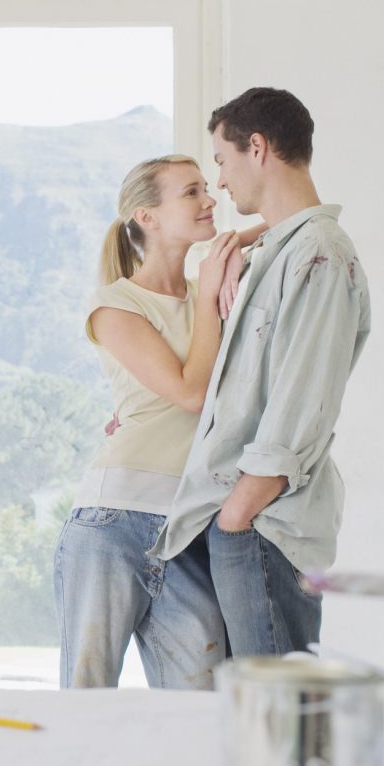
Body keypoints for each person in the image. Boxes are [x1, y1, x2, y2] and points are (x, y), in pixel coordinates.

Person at [149, 87, 371, 656]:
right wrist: (244, 245)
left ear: (257, 146)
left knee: (279, 726)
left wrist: (238, 514)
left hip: (263, 525)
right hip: (246, 522)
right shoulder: (289, 250)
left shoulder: (320, 254)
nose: (219, 182)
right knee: (251, 720)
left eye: (221, 161)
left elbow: (304, 399)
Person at [54, 154, 245, 690]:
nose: (210, 199)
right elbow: (190, 392)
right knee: (86, 693)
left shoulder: (216, 286)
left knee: (199, 701)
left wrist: (216, 276)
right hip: (113, 522)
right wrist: (208, 293)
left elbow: (281, 231)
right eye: (191, 192)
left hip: (188, 526)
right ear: (147, 216)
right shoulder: (115, 306)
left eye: (207, 187)